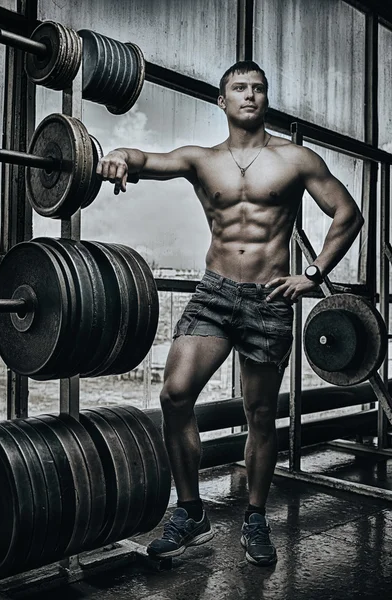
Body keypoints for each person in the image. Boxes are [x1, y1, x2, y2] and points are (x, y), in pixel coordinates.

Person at [96, 61, 364, 567]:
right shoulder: (201, 159)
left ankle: (256, 517)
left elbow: (348, 214)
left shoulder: (296, 159)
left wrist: (311, 274)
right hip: (215, 295)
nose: (250, 95)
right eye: (239, 88)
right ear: (222, 101)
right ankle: (192, 511)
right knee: (175, 394)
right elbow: (147, 159)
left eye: (258, 89)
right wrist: (117, 155)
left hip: (270, 298)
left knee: (260, 414)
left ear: (266, 99)